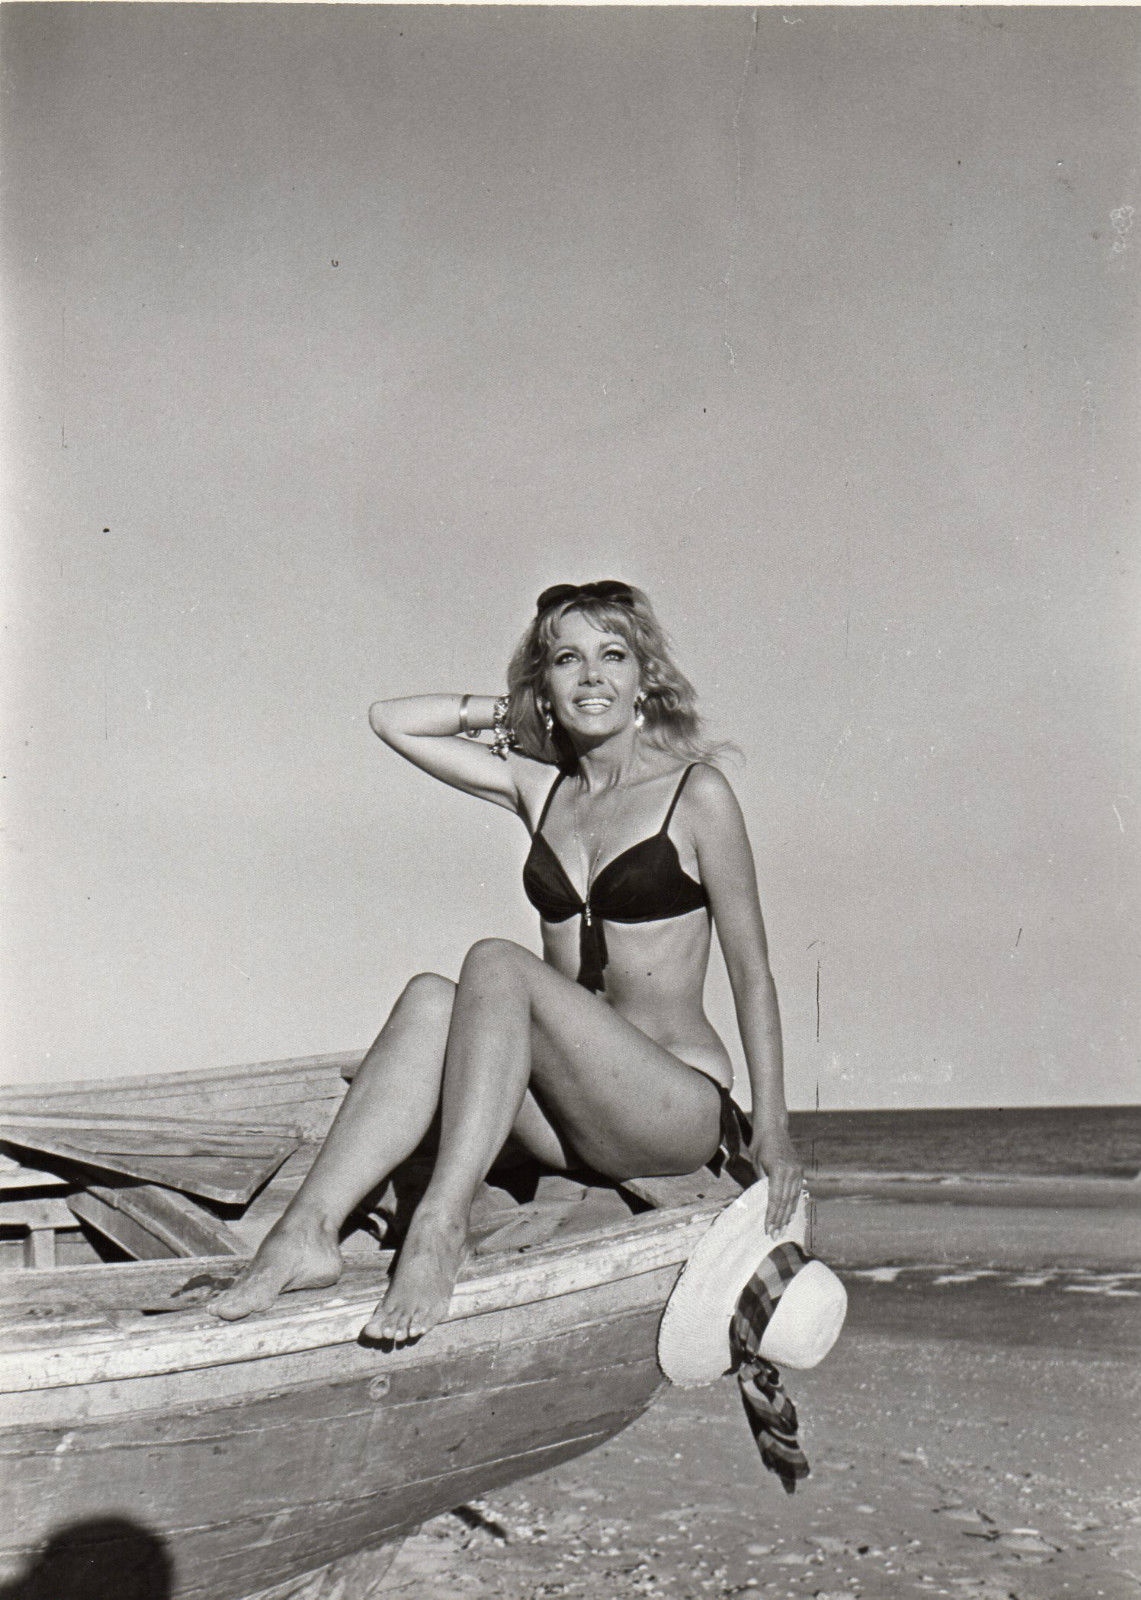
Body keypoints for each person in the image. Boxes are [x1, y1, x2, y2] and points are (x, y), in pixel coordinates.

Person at [213, 581, 803, 1341]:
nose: (592, 675)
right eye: (567, 660)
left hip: (670, 1109)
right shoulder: (541, 789)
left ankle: (440, 1226)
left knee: (495, 960)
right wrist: (524, 710)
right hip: (567, 1116)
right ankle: (306, 1232)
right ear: (544, 681)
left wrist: (774, 1128)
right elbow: (391, 720)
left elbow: (752, 972)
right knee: (430, 998)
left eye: (612, 657)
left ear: (645, 678)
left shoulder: (696, 794)